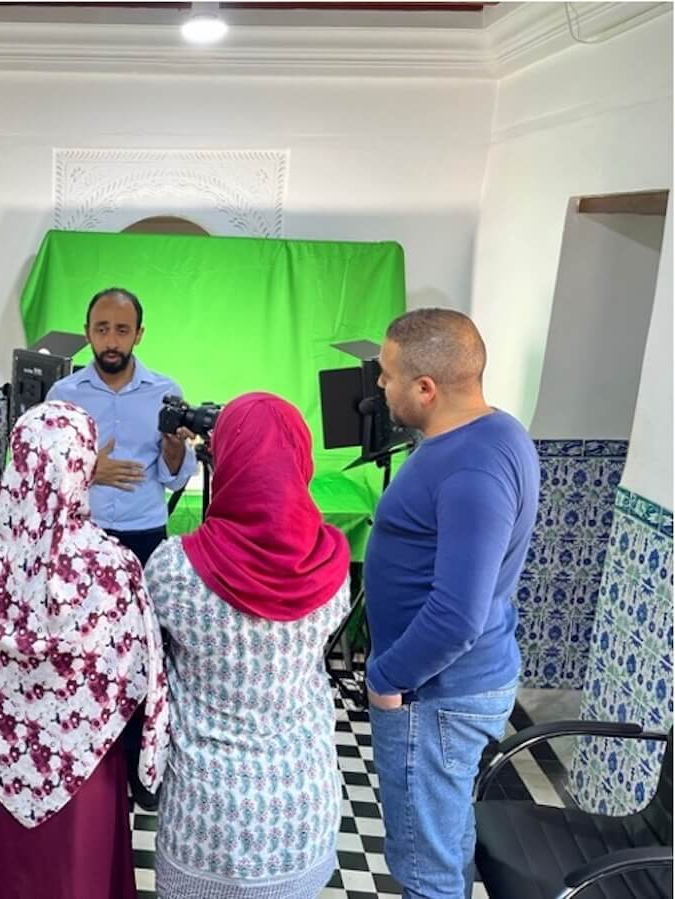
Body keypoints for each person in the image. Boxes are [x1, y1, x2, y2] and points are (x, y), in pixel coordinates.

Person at [0, 401, 170, 899]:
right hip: (82, 770)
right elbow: (138, 672)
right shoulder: (112, 568)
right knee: (74, 877)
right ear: (82, 468)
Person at [143, 392, 351, 899]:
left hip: (208, 814)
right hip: (302, 806)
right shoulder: (333, 567)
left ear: (227, 458)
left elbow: (145, 664)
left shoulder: (175, 570)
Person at [363, 308, 540, 899]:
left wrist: (388, 677)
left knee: (425, 865)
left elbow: (458, 613)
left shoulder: (471, 468)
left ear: (425, 388)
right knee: (445, 840)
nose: (380, 386)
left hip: (436, 693)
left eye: (387, 376)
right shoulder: (496, 431)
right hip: (451, 687)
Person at [46, 286, 194, 809]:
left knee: (140, 654)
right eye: (102, 329)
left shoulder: (165, 391)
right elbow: (43, 474)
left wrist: (176, 452)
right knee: (80, 653)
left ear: (139, 334)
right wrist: (91, 469)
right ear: (88, 333)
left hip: (142, 540)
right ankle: (81, 767)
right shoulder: (62, 395)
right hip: (80, 541)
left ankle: (140, 769)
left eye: (122, 330)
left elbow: (177, 477)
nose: (111, 341)